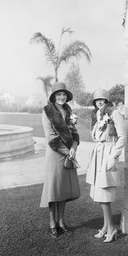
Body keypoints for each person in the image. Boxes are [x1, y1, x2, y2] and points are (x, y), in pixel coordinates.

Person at [40, 82, 80, 239]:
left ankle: (61, 223)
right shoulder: (47, 111)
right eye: (58, 95)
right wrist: (67, 150)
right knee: (53, 190)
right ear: (53, 97)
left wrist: (74, 148)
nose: (62, 97)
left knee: (63, 189)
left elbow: (75, 133)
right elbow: (50, 136)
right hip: (55, 154)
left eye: (63, 94)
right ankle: (52, 224)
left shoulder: (70, 111)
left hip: (69, 154)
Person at [86, 88, 126, 243]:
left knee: (104, 195)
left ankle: (111, 229)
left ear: (107, 100)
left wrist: (113, 156)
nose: (99, 102)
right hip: (98, 153)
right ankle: (105, 226)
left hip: (108, 153)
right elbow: (96, 135)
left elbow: (122, 137)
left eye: (102, 99)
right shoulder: (97, 115)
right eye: (97, 100)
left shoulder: (114, 113)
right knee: (99, 194)